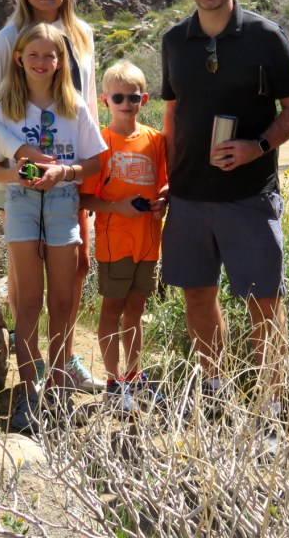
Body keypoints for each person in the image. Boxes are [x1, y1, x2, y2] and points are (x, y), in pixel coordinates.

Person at [161, 0, 289, 410]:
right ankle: (216, 391)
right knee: (198, 298)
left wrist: (256, 147)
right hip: (188, 198)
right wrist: (168, 176)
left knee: (263, 303)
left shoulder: (265, 36)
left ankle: (272, 408)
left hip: (250, 196)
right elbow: (172, 114)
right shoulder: (174, 41)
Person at [0, 0, 104, 392]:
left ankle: (65, 362)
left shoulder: (81, 34)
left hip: (69, 169)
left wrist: (83, 171)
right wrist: (18, 150)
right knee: (26, 274)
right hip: (19, 175)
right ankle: (31, 372)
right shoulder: (11, 37)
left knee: (77, 265)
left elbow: (88, 102)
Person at [0, 23, 106, 433]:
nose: (41, 62)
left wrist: (63, 172)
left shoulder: (74, 106)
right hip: (20, 204)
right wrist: (17, 174)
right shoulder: (5, 110)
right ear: (18, 59)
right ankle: (28, 390)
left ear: (60, 61)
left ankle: (57, 386)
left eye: (49, 56)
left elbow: (95, 163)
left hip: (62, 202)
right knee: (30, 301)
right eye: (33, 55)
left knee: (64, 300)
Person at [79, 61, 169, 415]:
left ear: (144, 99)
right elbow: (85, 198)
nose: (126, 104)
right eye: (118, 97)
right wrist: (118, 207)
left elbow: (164, 183)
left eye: (133, 97)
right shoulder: (100, 143)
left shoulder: (156, 140)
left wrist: (162, 201)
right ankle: (114, 382)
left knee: (136, 311)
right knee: (112, 310)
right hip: (115, 243)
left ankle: (134, 376)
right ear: (105, 100)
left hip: (148, 242)